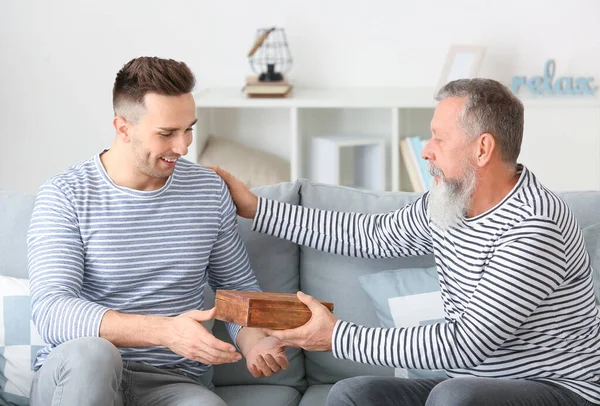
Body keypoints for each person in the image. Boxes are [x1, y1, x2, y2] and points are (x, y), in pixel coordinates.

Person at [211, 78, 600, 406]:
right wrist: (257, 209)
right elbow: (370, 234)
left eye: (438, 139)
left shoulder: (534, 227)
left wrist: (335, 335)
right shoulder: (448, 202)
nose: (426, 150)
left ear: (482, 149)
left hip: (559, 390)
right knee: (352, 394)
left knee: (453, 396)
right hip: (467, 384)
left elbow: (465, 344)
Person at [27, 56, 289, 406]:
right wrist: (166, 331)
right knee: (95, 355)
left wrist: (254, 341)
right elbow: (52, 311)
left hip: (175, 380)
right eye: (166, 134)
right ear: (123, 128)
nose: (183, 147)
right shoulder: (66, 195)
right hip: (83, 372)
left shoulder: (208, 190)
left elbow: (236, 290)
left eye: (188, 129)